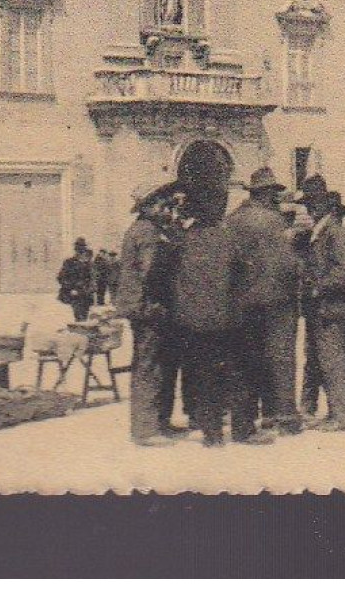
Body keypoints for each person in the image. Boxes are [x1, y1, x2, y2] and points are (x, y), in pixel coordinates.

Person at [172, 203, 270, 448]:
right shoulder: (228, 238)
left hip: (195, 322)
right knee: (240, 375)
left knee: (205, 377)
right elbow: (247, 274)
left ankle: (212, 434)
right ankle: (243, 430)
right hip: (229, 318)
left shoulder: (182, 241)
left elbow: (168, 279)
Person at [227, 167, 305, 436]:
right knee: (281, 357)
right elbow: (287, 264)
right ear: (266, 193)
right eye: (274, 192)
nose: (276, 197)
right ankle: (283, 415)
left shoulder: (233, 219)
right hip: (277, 299)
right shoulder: (274, 222)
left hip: (245, 300)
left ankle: (255, 414)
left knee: (251, 358)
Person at [114, 181, 187, 446]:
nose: (166, 206)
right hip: (149, 309)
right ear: (147, 206)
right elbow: (151, 272)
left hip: (154, 308)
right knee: (149, 366)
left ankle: (160, 422)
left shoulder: (154, 229)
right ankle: (145, 430)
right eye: (160, 202)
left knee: (164, 365)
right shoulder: (146, 232)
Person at [301, 188, 345, 431]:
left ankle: (343, 416)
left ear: (324, 208)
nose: (310, 209)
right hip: (322, 308)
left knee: (335, 360)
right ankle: (335, 412)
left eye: (313, 204)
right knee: (323, 360)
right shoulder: (320, 232)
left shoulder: (335, 233)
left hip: (332, 307)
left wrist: (319, 287)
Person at [57, 239, 96, 322]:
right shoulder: (69, 262)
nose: (80, 252)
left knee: (84, 315)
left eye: (82, 250)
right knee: (79, 315)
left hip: (86, 293)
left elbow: (93, 278)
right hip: (75, 294)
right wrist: (71, 288)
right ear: (76, 250)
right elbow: (61, 277)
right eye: (78, 249)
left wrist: (91, 288)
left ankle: (82, 329)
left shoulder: (89, 263)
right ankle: (80, 329)